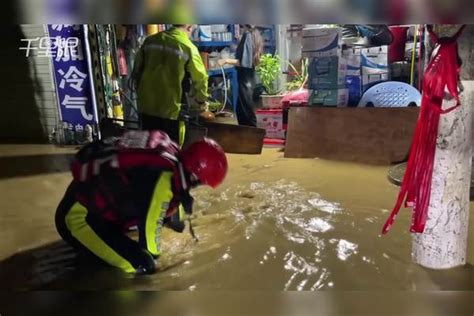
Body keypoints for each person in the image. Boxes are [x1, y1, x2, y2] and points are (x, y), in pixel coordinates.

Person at [55, 132, 228, 275]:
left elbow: (175, 217)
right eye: (201, 183)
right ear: (195, 175)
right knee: (143, 265)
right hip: (78, 218)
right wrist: (171, 267)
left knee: (162, 223)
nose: (198, 186)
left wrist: (181, 230)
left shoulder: (173, 156)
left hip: (87, 199)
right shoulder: (163, 178)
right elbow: (150, 245)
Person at [131, 24, 209, 146]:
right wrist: (201, 101)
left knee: (148, 147)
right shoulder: (187, 46)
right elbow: (201, 78)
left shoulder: (150, 41)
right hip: (172, 111)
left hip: (146, 107)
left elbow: (136, 70)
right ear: (189, 27)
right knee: (171, 150)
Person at [218, 25, 264, 127]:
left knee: (246, 115)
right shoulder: (254, 34)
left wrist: (226, 60)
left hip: (245, 81)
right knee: (243, 112)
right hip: (250, 80)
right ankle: (249, 138)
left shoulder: (248, 35)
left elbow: (244, 62)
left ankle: (251, 139)